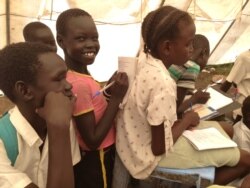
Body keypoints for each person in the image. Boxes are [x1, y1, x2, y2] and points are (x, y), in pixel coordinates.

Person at [115, 5, 250, 186]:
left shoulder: (143, 62)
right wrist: (185, 121)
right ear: (167, 48)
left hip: (133, 146)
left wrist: (182, 122)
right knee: (246, 159)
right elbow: (159, 148)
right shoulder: (163, 83)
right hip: (148, 159)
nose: (191, 49)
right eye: (188, 44)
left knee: (228, 128)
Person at [56, 8, 128, 188]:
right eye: (81, 39)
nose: (90, 44)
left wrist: (108, 90)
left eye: (94, 38)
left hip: (98, 157)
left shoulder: (80, 75)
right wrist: (116, 99)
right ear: (61, 41)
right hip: (97, 159)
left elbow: (94, 102)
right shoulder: (78, 84)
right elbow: (92, 140)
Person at [0, 42, 80, 188]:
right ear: (25, 91)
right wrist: (59, 129)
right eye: (58, 79)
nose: (69, 86)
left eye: (66, 77)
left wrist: (61, 126)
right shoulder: (3, 140)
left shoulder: (62, 122)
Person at [169, 34, 211, 115]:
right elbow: (175, 110)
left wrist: (187, 92)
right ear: (204, 53)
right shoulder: (192, 67)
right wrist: (194, 99)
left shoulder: (177, 59)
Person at [220, 50, 250, 123]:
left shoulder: (244, 57)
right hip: (244, 109)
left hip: (244, 109)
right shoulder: (245, 58)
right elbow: (230, 82)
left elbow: (229, 82)